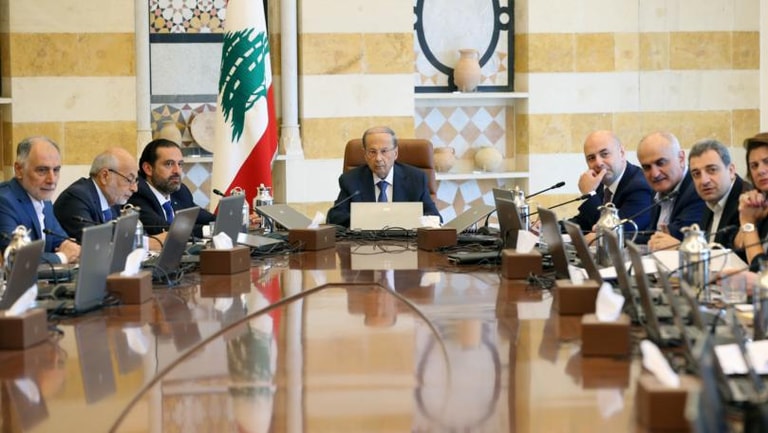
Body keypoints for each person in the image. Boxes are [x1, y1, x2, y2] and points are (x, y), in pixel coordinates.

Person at [326, 126, 441, 227]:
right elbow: (335, 217)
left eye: (384, 151)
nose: (378, 158)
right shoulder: (351, 180)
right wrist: (369, 220)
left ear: (395, 153)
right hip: (365, 242)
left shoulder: (416, 179)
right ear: (365, 154)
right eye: (372, 152)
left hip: (405, 241)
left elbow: (434, 217)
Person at [0, 136, 81, 264]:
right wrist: (62, 257)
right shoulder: (4, 202)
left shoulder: (44, 200)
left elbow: (60, 240)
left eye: (56, 170)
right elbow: (15, 258)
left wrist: (68, 246)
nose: (52, 180)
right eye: (42, 170)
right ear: (19, 170)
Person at [569, 130, 653, 238]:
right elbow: (583, 222)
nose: (598, 163)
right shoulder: (601, 183)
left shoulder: (640, 187)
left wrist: (589, 193)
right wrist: (554, 228)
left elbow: (614, 232)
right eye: (591, 158)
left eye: (604, 154)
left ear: (621, 153)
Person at [127, 138, 214, 240]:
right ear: (148, 169)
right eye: (169, 164)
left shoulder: (180, 192)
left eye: (180, 164)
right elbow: (167, 229)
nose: (177, 171)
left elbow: (207, 218)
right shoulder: (137, 193)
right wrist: (210, 230)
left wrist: (224, 222)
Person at [637, 131, 705, 250]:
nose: (655, 174)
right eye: (647, 167)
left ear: (681, 158)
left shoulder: (697, 188)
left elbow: (676, 235)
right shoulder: (658, 189)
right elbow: (651, 234)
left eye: (661, 163)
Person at [54, 148, 139, 242]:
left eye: (135, 181)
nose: (135, 188)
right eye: (129, 180)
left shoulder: (113, 200)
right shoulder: (76, 198)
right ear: (104, 176)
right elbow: (94, 242)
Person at [688, 139, 750, 250]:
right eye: (696, 174)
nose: (704, 181)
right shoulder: (711, 198)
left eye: (712, 170)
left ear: (731, 171)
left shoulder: (746, 203)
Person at [735, 132, 768, 269]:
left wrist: (748, 223)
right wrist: (747, 215)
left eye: (767, 162)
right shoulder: (761, 204)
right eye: (754, 165)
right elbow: (738, 248)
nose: (760, 171)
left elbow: (762, 271)